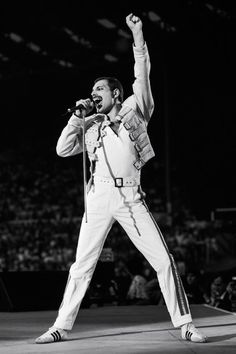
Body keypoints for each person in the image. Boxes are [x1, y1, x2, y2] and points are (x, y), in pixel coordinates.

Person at [35, 13, 207, 344]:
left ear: (116, 92)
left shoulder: (136, 110)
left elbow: (142, 75)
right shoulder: (91, 124)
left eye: (99, 88)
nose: (94, 93)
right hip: (98, 198)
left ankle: (185, 323)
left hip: (130, 197)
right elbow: (61, 150)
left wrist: (138, 36)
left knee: (163, 260)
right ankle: (60, 326)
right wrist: (76, 117)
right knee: (80, 266)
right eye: (92, 89)